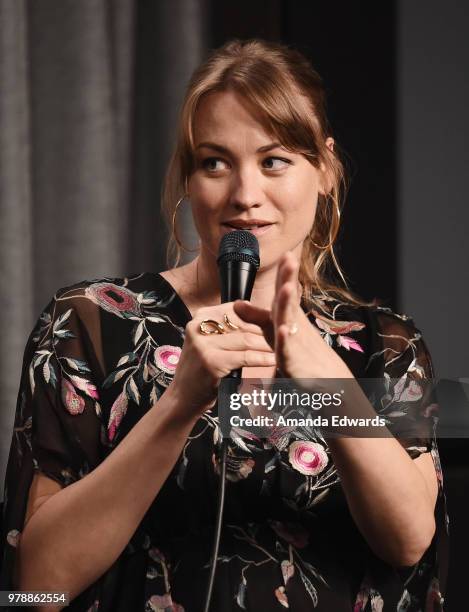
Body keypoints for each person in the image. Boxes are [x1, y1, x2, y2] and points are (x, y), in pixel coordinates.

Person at [1, 39, 448, 611]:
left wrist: (323, 378)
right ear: (188, 180)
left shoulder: (385, 345)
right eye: (215, 162)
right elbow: (36, 587)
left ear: (326, 170)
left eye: (274, 161)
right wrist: (179, 402)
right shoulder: (88, 323)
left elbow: (409, 539)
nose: (244, 195)